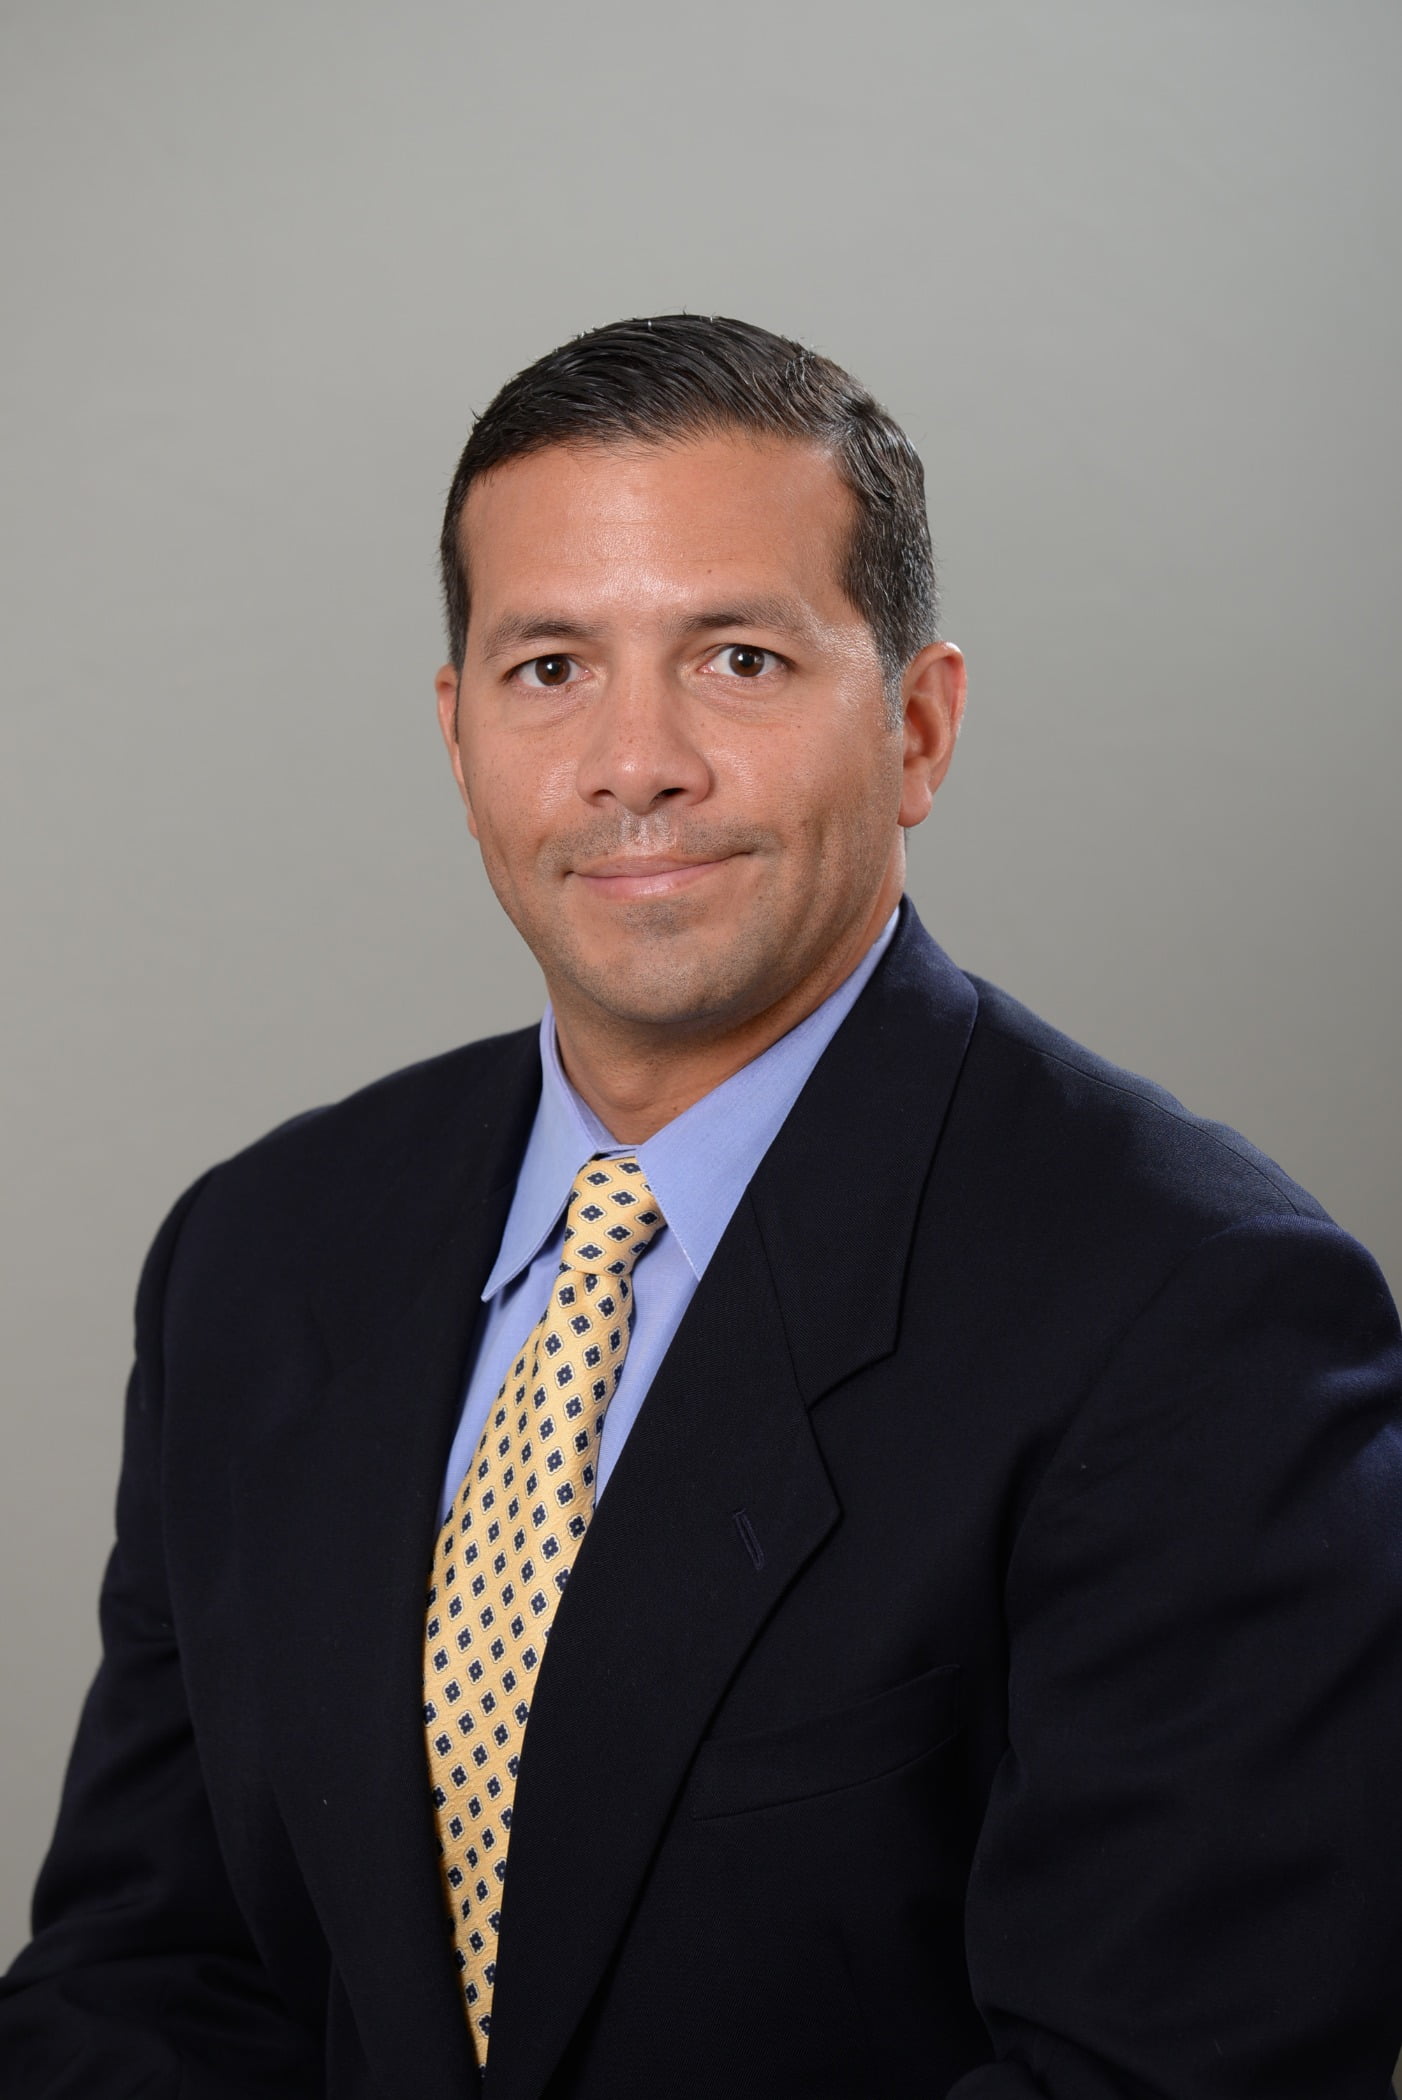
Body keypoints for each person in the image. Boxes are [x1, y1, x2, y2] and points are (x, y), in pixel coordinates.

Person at [2, 314, 1400, 2100]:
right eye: (548, 668)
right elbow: (145, 1974)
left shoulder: (1199, 1322)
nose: (632, 760)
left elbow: (1157, 2079)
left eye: (735, 658)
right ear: (458, 737)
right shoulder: (260, 1256)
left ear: (914, 725)